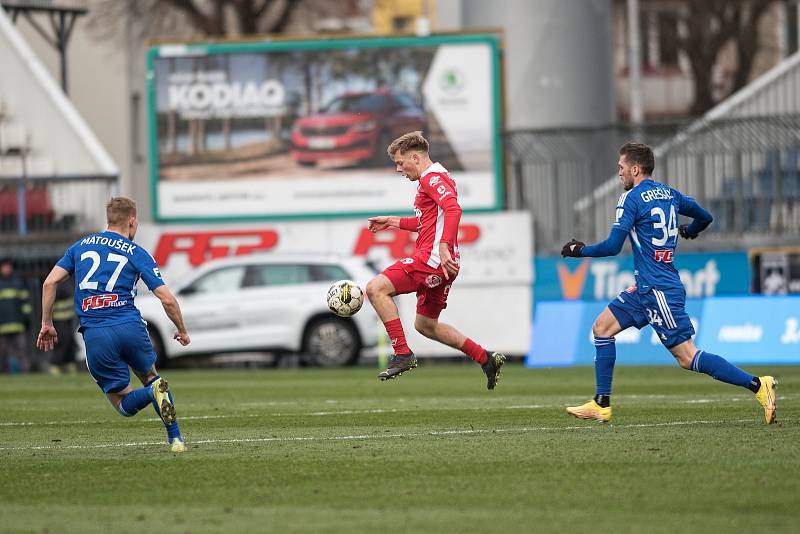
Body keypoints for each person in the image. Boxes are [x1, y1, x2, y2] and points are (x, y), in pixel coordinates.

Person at [560, 141, 777, 424]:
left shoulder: (631, 199)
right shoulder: (670, 194)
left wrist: (581, 250)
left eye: (621, 168)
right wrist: (691, 230)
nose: (619, 173)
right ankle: (601, 403)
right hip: (647, 287)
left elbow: (614, 246)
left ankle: (759, 386)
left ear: (635, 169)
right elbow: (706, 216)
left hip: (658, 289)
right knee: (602, 327)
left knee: (687, 357)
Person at [36, 197, 192, 452]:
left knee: (123, 403)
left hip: (96, 332)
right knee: (152, 378)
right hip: (130, 326)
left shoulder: (80, 247)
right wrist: (182, 330)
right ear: (132, 221)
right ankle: (175, 438)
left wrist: (46, 323)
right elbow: (167, 298)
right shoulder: (137, 253)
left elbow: (49, 283)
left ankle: (153, 393)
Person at [365, 131, 505, 389]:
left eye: (400, 162)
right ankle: (485, 358)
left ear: (415, 158)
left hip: (431, 260)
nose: (398, 169)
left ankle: (403, 354)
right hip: (442, 265)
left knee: (375, 288)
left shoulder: (432, 178)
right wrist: (392, 221)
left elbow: (453, 209)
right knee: (426, 325)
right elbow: (428, 221)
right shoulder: (433, 179)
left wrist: (443, 247)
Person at [0, 257, 31, 373]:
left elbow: (25, 304)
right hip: (2, 326)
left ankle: (25, 372)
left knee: (22, 350)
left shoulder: (18, 283)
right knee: (2, 353)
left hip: (18, 324)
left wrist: (26, 319)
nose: (7, 269)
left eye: (8, 267)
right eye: (4, 267)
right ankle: (3, 373)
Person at [47, 280, 78, 374]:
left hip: (69, 318)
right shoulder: (58, 283)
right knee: (63, 341)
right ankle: (55, 364)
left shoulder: (68, 281)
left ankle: (69, 363)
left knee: (70, 341)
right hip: (58, 319)